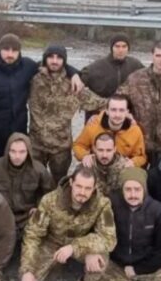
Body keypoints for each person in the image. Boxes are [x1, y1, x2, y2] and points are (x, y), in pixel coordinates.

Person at [20, 165, 116, 281]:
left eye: (87, 188)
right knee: (33, 275)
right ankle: (56, 264)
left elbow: (109, 238)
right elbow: (33, 234)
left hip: (82, 243)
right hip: (54, 242)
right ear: (71, 182)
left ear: (94, 187)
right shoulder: (49, 200)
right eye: (79, 186)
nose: (82, 193)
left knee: (99, 261)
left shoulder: (103, 204)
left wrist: (77, 247)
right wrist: (27, 270)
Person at [0, 34, 79, 163]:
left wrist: (73, 73)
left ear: (20, 51)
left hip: (18, 135)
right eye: (6, 50)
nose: (10, 54)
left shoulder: (28, 66)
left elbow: (53, 65)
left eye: (14, 50)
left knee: (18, 175)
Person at [29, 44, 107, 183]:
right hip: (36, 145)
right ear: (45, 59)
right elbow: (15, 69)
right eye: (51, 57)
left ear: (64, 61)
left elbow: (103, 104)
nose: (54, 61)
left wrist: (98, 116)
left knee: (60, 183)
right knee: (34, 182)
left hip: (61, 148)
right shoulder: (33, 79)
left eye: (59, 58)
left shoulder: (73, 85)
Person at [117, 40, 161, 167]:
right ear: (152, 55)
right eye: (158, 56)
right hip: (140, 142)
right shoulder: (136, 78)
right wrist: (127, 116)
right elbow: (118, 99)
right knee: (138, 181)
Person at [0, 132, 55, 234]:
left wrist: (38, 206)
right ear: (7, 151)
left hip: (28, 217)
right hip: (0, 216)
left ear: (28, 152)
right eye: (13, 151)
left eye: (22, 152)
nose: (17, 156)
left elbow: (49, 193)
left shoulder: (39, 170)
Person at [79, 33, 144, 120]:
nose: (121, 50)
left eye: (124, 46)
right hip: (99, 117)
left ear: (128, 48)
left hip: (124, 117)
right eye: (117, 46)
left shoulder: (135, 65)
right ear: (111, 48)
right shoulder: (96, 67)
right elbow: (76, 83)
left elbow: (150, 78)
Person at [73, 95, 147, 168]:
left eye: (121, 110)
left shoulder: (135, 131)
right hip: (97, 166)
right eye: (113, 110)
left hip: (122, 168)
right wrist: (84, 155)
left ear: (127, 112)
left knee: (135, 177)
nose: (117, 115)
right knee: (81, 174)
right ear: (107, 111)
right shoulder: (93, 125)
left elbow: (141, 156)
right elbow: (78, 145)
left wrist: (133, 162)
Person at [85, 132, 130, 197]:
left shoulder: (125, 168)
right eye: (100, 150)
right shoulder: (87, 166)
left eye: (108, 150)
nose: (104, 155)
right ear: (94, 149)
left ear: (115, 149)